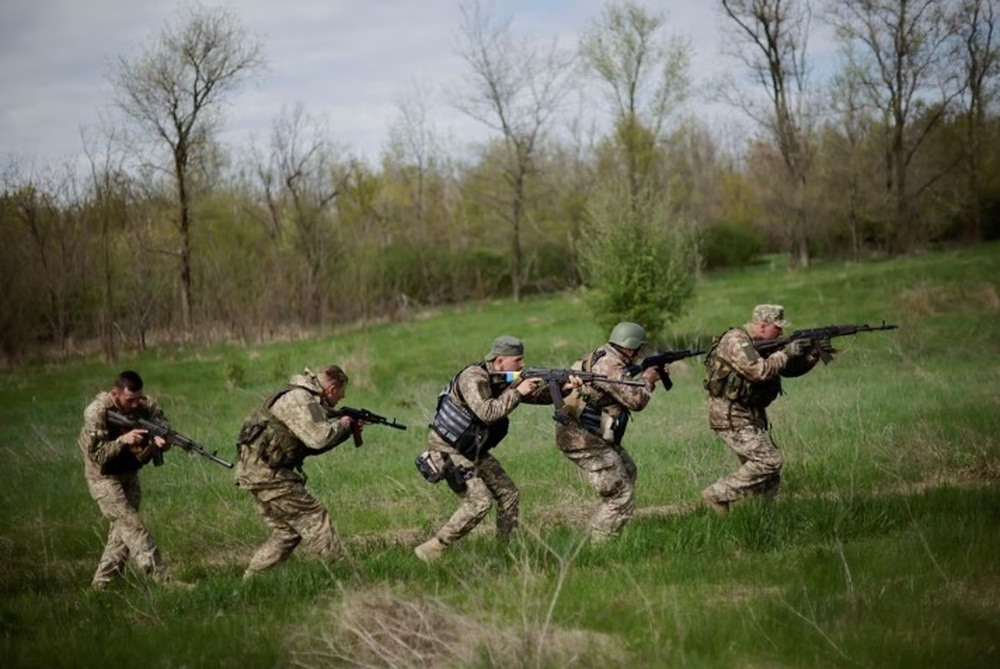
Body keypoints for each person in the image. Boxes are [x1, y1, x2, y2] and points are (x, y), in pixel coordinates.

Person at [414, 335, 575, 562]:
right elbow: (487, 413)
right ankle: (433, 548)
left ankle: (504, 551)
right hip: (447, 449)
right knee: (479, 502)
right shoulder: (473, 377)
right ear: (499, 361)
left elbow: (535, 396)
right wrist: (518, 391)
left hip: (472, 448)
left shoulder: (502, 376)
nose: (521, 365)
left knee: (509, 494)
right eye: (517, 360)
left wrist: (564, 388)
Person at [235, 365, 363, 579]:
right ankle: (347, 575)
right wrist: (343, 425)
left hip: (258, 471)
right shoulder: (302, 399)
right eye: (339, 397)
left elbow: (310, 441)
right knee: (314, 516)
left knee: (287, 533)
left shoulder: (299, 395)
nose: (338, 402)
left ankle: (253, 579)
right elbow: (319, 439)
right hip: (268, 474)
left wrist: (344, 429)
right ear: (331, 389)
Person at [700, 304, 822, 514]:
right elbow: (759, 371)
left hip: (749, 416)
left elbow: (787, 371)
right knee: (769, 461)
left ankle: (762, 520)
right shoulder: (736, 340)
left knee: (768, 481)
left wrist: (813, 354)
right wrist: (786, 352)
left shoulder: (763, 344)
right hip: (731, 416)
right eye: (778, 327)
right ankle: (717, 494)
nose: (782, 332)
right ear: (763, 326)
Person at [78, 370, 188, 590]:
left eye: (139, 398)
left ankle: (101, 587)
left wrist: (161, 443)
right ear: (115, 394)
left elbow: (163, 430)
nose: (136, 404)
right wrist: (122, 440)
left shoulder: (147, 406)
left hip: (129, 473)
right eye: (130, 400)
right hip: (103, 477)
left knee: (121, 535)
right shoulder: (97, 411)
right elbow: (97, 456)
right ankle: (164, 580)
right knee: (132, 526)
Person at [554, 322, 664, 542]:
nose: (640, 353)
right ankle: (601, 544)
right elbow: (636, 401)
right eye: (639, 348)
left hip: (590, 434)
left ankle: (611, 524)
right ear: (629, 347)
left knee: (628, 470)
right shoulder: (609, 364)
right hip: (582, 438)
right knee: (619, 494)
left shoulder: (603, 355)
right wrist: (649, 380)